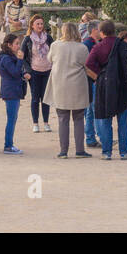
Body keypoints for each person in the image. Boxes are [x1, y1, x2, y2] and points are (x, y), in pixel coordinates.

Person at [87, 20, 127, 160]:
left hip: (105, 85)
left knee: (105, 120)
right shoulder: (124, 45)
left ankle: (107, 152)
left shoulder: (98, 47)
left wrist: (100, 74)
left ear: (101, 32)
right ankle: (124, 152)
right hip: (123, 84)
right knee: (123, 120)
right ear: (114, 30)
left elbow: (88, 63)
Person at [45, 22, 91, 158]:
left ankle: (63, 151)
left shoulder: (55, 45)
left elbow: (49, 59)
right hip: (77, 85)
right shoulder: (82, 47)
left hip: (60, 85)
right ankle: (79, 150)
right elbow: (86, 63)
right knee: (78, 119)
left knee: (62, 119)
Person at [0, 33, 30, 154]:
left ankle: (9, 144)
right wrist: (20, 60)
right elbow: (14, 72)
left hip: (12, 90)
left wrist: (23, 74)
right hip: (11, 91)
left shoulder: (7, 56)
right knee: (11, 119)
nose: (18, 46)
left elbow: (15, 72)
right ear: (9, 45)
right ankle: (8, 145)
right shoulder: (5, 58)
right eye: (16, 44)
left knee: (12, 118)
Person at [20, 14, 53, 133]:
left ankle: (46, 123)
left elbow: (54, 52)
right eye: (37, 24)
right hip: (33, 72)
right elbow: (22, 57)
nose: (40, 26)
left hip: (47, 71)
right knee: (35, 98)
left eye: (41, 23)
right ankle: (35, 123)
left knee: (45, 98)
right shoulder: (27, 39)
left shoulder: (48, 38)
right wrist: (27, 71)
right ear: (32, 26)